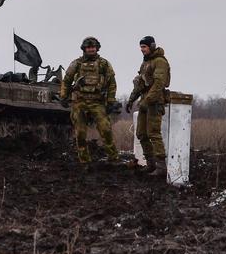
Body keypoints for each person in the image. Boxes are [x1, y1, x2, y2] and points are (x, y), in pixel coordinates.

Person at [59, 37, 121, 164]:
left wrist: (110, 101)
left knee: (105, 130)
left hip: (97, 102)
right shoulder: (76, 64)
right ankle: (85, 161)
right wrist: (63, 97)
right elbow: (66, 80)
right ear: (84, 49)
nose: (91, 49)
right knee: (80, 133)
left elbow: (112, 83)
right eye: (88, 47)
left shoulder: (104, 64)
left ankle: (113, 158)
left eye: (93, 47)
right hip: (80, 102)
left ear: (97, 48)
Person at [125, 35, 171, 177]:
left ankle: (161, 167)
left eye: (144, 47)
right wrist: (131, 99)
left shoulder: (160, 61)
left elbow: (158, 84)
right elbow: (140, 83)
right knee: (141, 134)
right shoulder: (145, 63)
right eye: (141, 47)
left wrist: (147, 101)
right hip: (145, 101)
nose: (142, 50)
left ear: (151, 46)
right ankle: (151, 165)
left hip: (155, 102)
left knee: (154, 134)